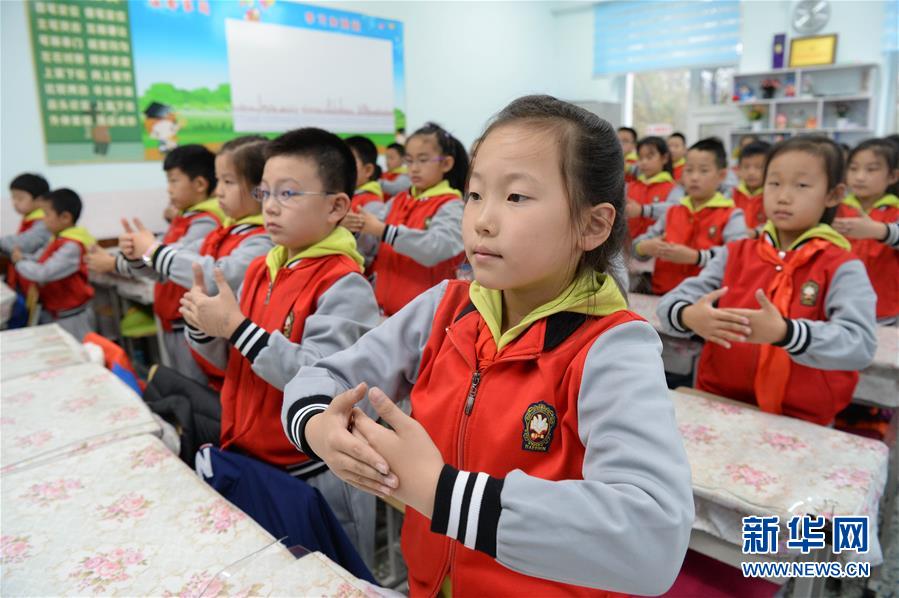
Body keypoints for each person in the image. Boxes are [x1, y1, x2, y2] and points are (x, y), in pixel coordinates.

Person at [282, 95, 693, 597]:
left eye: (516, 197)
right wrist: (319, 427)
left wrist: (441, 493)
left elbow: (653, 541)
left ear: (593, 225)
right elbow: (325, 376)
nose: (482, 219)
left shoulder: (612, 347)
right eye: (475, 194)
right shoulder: (447, 308)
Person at [658, 137, 876, 425]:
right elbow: (669, 304)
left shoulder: (842, 266)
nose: (783, 196)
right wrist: (689, 316)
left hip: (801, 418)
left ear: (833, 195)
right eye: (774, 183)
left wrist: (788, 333)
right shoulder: (736, 253)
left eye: (801, 185)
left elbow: (860, 345)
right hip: (717, 401)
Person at [633, 138, 747, 295]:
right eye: (689, 170)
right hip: (661, 294)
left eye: (703, 171)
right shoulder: (672, 211)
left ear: (721, 175)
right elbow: (636, 247)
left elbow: (739, 256)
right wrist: (644, 247)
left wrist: (697, 257)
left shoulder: (731, 215)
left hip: (706, 300)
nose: (694, 177)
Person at [12, 188, 96, 340]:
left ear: (65, 217)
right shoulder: (57, 238)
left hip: (72, 316)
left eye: (46, 214)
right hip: (56, 311)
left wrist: (19, 262)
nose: (43, 219)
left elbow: (44, 273)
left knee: (81, 349)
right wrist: (24, 257)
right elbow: (39, 258)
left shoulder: (72, 246)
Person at [833, 138, 899, 323]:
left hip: (884, 310)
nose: (860, 177)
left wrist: (878, 230)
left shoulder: (895, 210)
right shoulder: (835, 207)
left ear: (893, 176)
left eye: (871, 169)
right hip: (838, 305)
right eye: (853, 169)